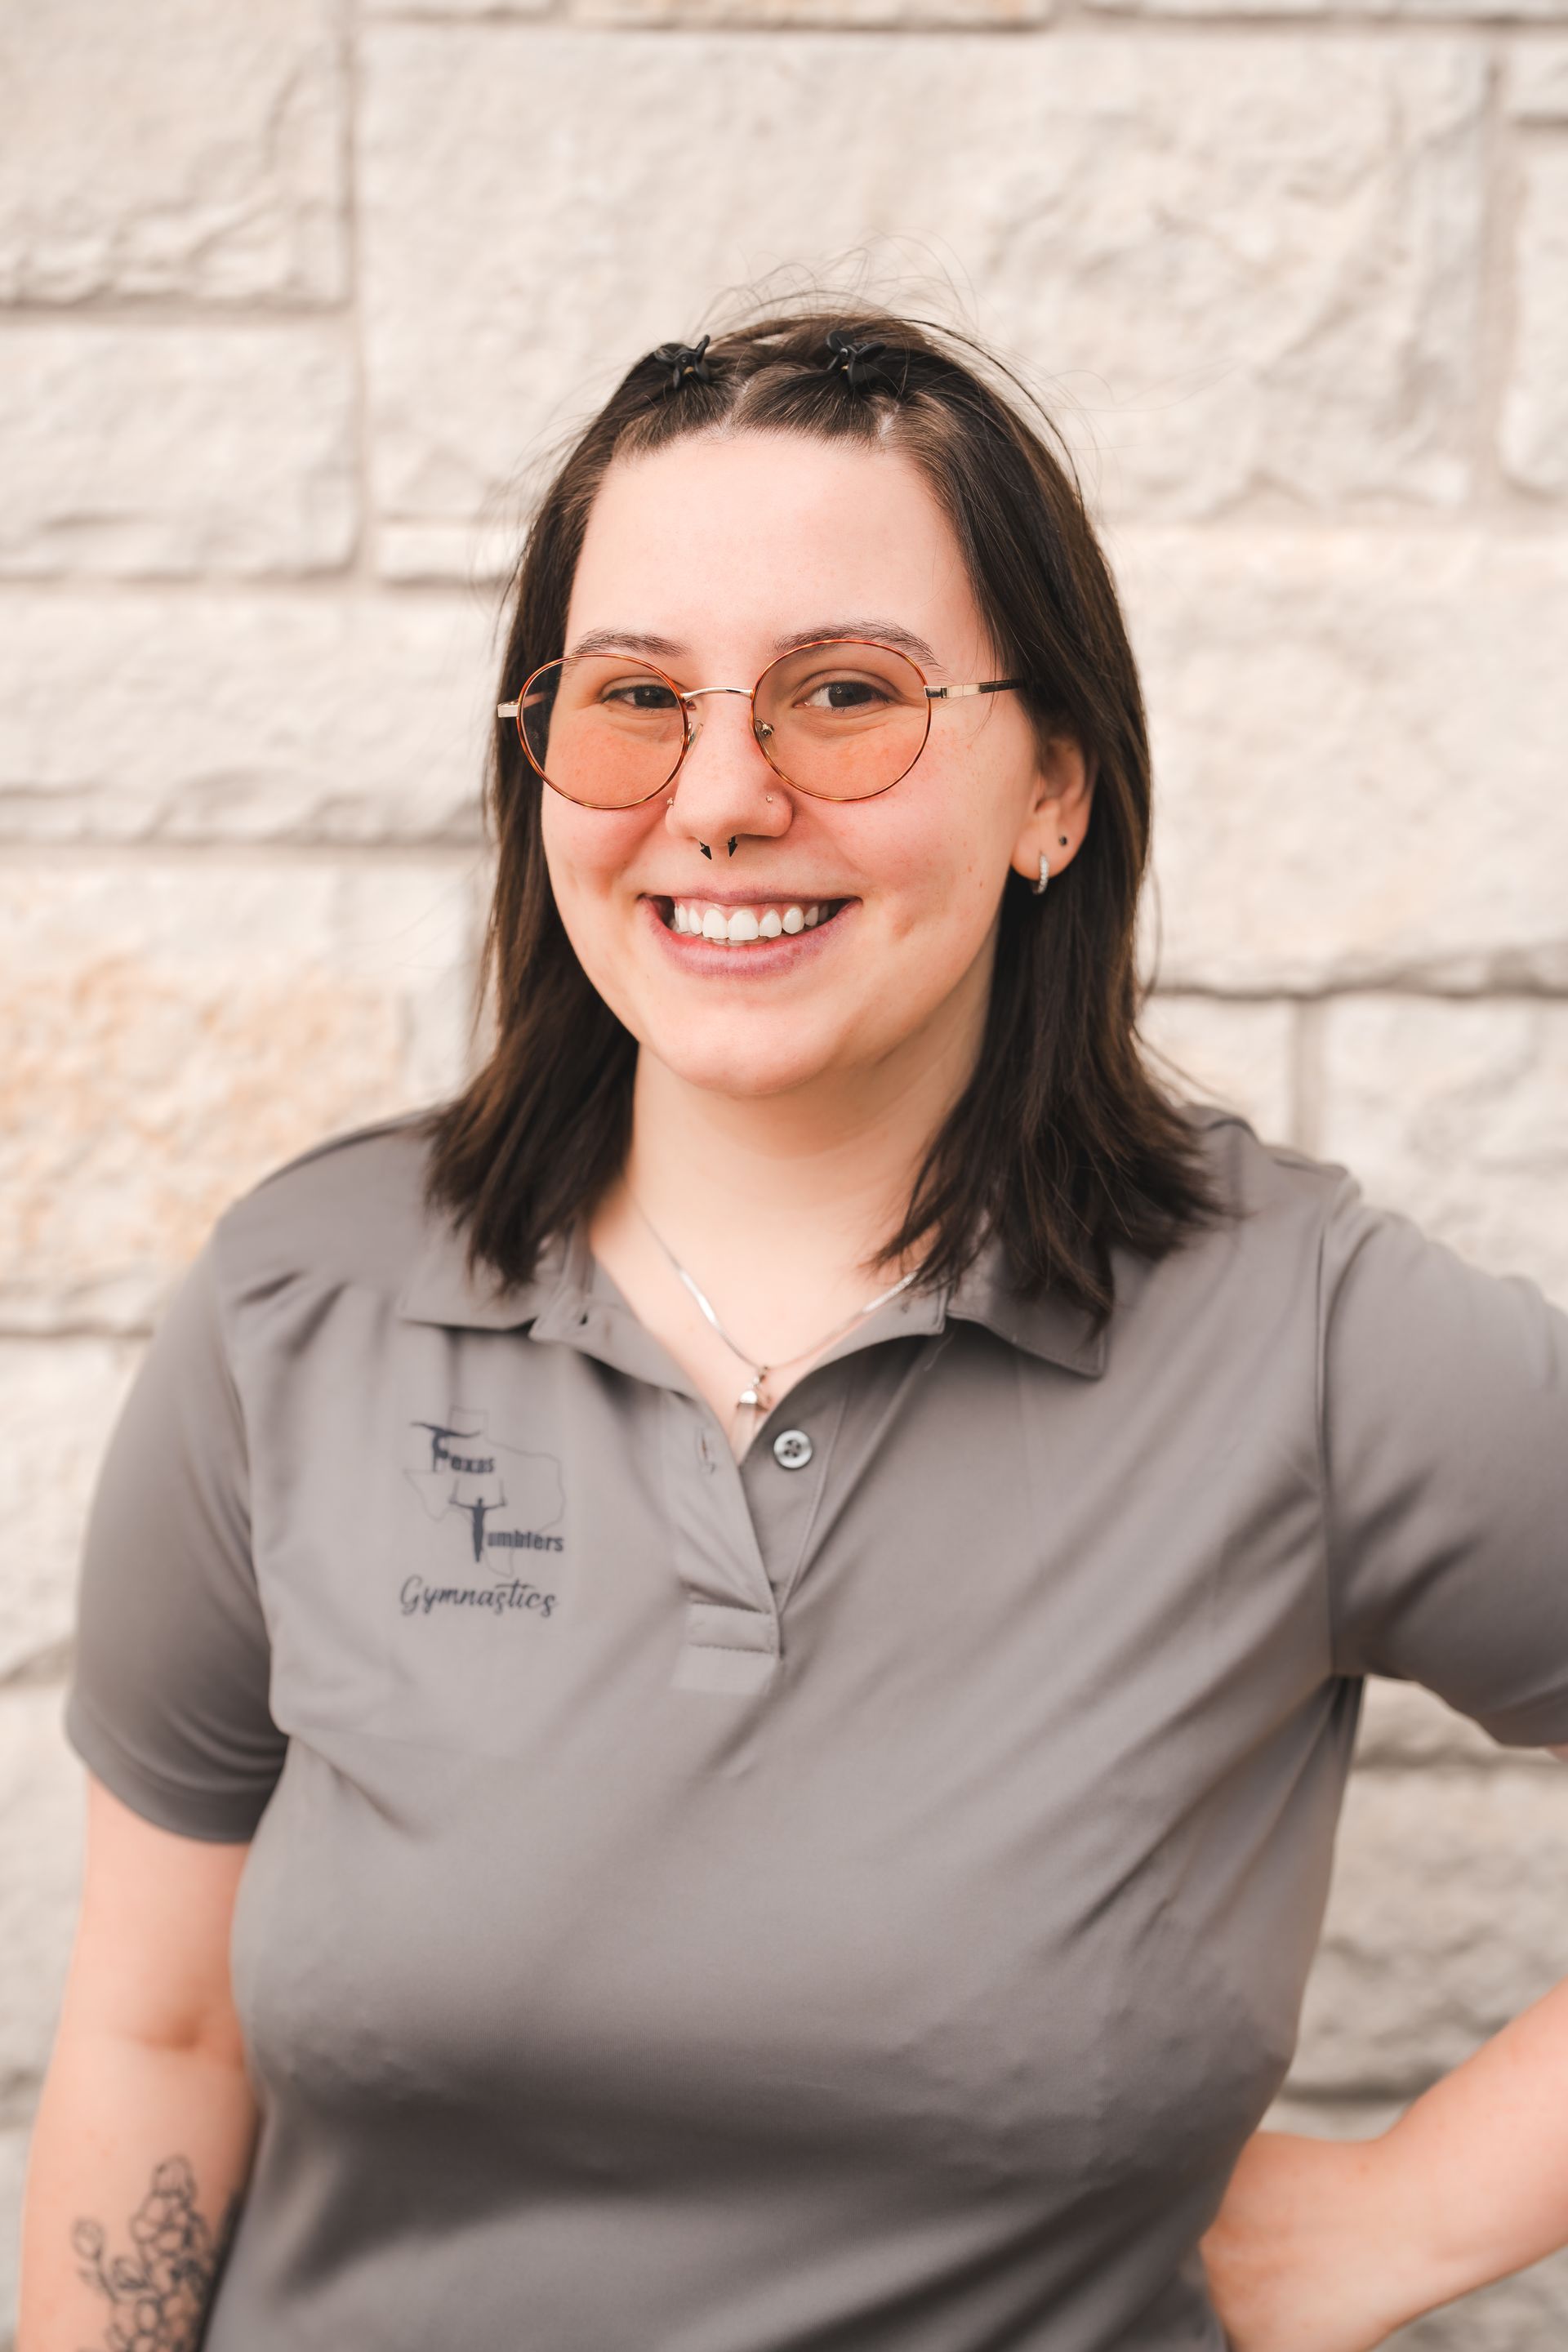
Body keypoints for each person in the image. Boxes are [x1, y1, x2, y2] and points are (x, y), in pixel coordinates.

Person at [18, 301, 1568, 2352]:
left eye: (850, 695)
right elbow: (159, 2033)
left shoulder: (1314, 1341)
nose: (723, 795)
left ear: (1058, 792)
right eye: (632, 695)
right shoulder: (297, 1310)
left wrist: (1396, 2220)